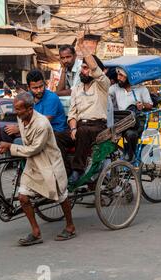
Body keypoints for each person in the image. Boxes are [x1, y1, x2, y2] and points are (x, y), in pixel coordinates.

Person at [0, 92, 76, 246]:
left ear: (30, 109)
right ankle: (36, 232)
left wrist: (10, 147)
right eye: (15, 108)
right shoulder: (21, 118)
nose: (16, 112)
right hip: (33, 165)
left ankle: (70, 226)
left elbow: (33, 149)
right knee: (23, 197)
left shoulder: (42, 124)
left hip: (49, 164)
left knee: (61, 196)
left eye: (19, 109)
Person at [56, 40, 110, 184]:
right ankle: (66, 172)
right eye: (82, 68)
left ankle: (77, 170)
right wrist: (73, 127)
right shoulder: (77, 89)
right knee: (56, 136)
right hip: (79, 127)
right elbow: (72, 113)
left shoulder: (102, 85)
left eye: (86, 68)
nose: (83, 70)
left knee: (84, 131)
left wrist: (84, 50)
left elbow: (95, 69)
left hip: (97, 127)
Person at [1, 70, 68, 148]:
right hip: (33, 130)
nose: (39, 90)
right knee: (5, 130)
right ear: (28, 87)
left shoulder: (51, 97)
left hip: (53, 131)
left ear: (44, 84)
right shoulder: (27, 97)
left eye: (41, 86)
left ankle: (23, 152)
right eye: (35, 88)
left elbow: (44, 122)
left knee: (17, 142)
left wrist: (19, 129)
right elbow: (23, 115)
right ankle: (19, 156)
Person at [108, 67, 153, 161]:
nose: (118, 77)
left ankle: (131, 157)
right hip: (121, 123)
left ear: (129, 76)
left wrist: (142, 105)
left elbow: (150, 105)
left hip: (137, 123)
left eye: (121, 75)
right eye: (117, 75)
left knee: (131, 134)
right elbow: (106, 95)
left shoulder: (141, 88)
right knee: (108, 135)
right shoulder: (115, 88)